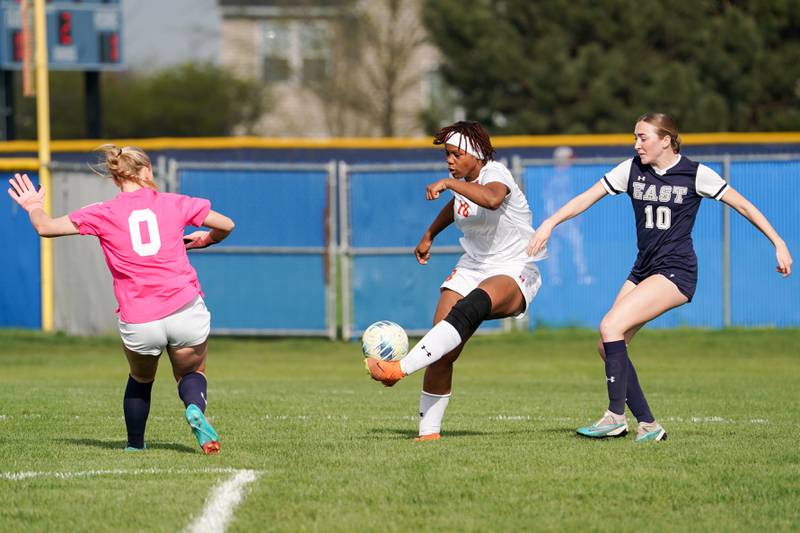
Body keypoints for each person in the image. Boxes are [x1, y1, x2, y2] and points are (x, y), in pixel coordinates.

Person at [527, 112, 793, 442]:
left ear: (665, 140)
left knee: (610, 326)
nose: (637, 144)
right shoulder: (631, 170)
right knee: (607, 345)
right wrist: (550, 223)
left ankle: (614, 416)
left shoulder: (695, 173)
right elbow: (587, 197)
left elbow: (745, 206)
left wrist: (778, 242)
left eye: (643, 137)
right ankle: (649, 426)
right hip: (644, 268)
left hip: (676, 270)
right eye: (635, 137)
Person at [7, 145, 235, 454]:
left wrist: (34, 204)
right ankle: (194, 408)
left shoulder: (102, 212)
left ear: (116, 178)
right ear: (147, 172)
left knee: (141, 379)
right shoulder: (175, 203)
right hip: (184, 307)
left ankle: (135, 446)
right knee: (191, 373)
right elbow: (226, 225)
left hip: (140, 317)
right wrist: (206, 240)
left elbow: (45, 228)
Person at [366, 120, 546, 441]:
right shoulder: (463, 181)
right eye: (446, 155)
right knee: (442, 349)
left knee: (471, 306)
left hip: (515, 267)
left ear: (475, 153)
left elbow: (490, 199)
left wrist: (449, 184)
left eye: (455, 154)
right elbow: (458, 205)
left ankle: (400, 369)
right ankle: (428, 435)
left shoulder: (495, 174)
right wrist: (429, 234)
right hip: (472, 266)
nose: (449, 161)